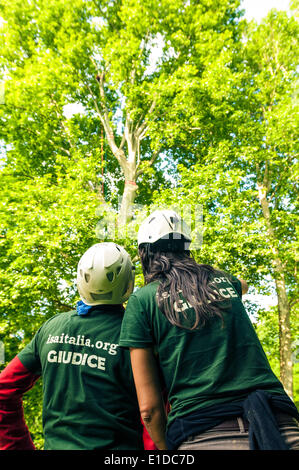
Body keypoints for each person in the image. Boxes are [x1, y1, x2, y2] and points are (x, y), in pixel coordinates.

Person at [119, 209, 299, 450]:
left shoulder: (143, 301)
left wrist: (164, 448)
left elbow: (149, 410)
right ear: (186, 247)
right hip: (280, 426)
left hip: (203, 435)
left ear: (145, 253)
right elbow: (242, 284)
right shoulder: (223, 279)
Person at [0, 242, 144, 450]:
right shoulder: (137, 335)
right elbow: (153, 411)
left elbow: (4, 388)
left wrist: (18, 446)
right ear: (128, 281)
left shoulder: (52, 328)